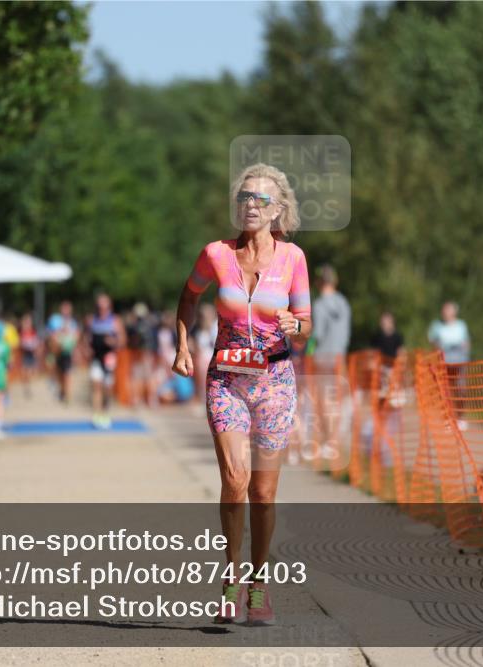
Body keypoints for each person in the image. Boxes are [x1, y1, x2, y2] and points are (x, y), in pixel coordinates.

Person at [172, 163, 311, 626]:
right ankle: (231, 581)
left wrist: (295, 326)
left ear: (278, 210)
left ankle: (259, 586)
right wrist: (182, 346)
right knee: (235, 479)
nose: (251, 205)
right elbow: (189, 296)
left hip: (274, 383)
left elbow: (306, 327)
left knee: (263, 492)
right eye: (244, 197)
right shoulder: (216, 254)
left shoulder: (293, 259)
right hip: (226, 381)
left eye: (261, 199)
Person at [309, 264, 351, 460]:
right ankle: (334, 441)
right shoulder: (344, 303)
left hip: (323, 358)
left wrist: (307, 350)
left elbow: (317, 335)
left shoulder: (319, 305)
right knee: (337, 401)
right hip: (340, 357)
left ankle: (328, 442)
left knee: (323, 401)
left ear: (319, 282)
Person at [86, 292, 126, 428]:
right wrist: (87, 348)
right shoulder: (92, 320)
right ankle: (96, 414)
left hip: (109, 358)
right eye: (99, 307)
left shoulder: (115, 321)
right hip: (96, 358)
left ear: (109, 307)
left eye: (104, 307)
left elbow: (122, 340)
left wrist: (113, 341)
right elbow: (86, 338)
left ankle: (105, 411)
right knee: (96, 384)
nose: (101, 309)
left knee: (107, 387)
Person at [47, 301, 80, 404]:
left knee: (67, 374)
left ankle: (67, 395)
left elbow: (76, 336)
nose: (66, 311)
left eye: (68, 309)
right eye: (64, 308)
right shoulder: (55, 320)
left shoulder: (73, 322)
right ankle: (61, 390)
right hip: (56, 351)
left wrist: (74, 349)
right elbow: (50, 334)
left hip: (67, 352)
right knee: (59, 373)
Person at [18, 313, 41, 398]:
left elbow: (36, 342)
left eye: (29, 322)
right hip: (24, 354)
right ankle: (26, 388)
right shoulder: (21, 332)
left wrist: (36, 350)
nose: (28, 324)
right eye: (26, 322)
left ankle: (28, 387)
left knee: (30, 373)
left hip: (31, 354)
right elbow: (20, 342)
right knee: (24, 372)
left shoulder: (33, 331)